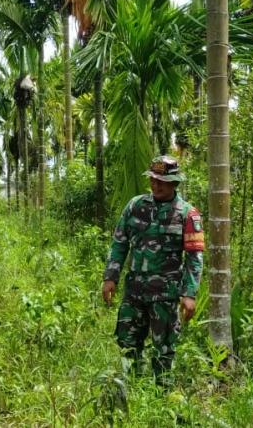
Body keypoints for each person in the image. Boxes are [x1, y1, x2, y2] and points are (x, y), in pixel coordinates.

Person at [101, 156, 204, 387]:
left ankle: (161, 396)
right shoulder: (135, 206)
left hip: (165, 296)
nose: (155, 185)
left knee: (164, 349)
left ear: (175, 183)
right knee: (128, 343)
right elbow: (119, 243)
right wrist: (110, 277)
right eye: (153, 180)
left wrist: (189, 293)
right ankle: (133, 389)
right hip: (134, 292)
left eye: (162, 181)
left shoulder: (188, 214)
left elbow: (194, 258)